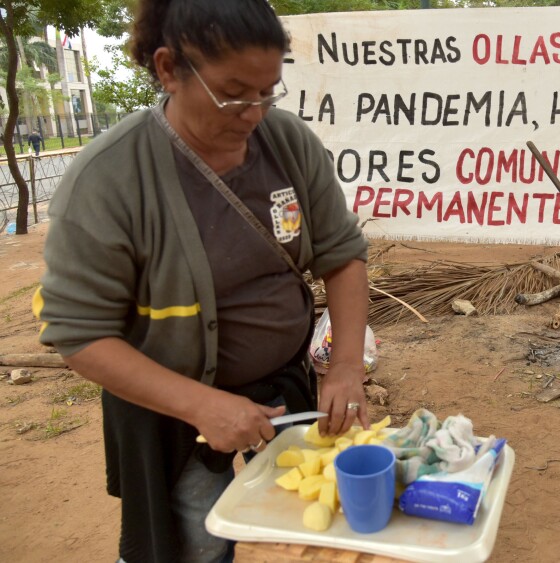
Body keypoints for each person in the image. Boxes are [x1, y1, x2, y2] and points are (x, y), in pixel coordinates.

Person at [32, 1, 371, 561]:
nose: (255, 113)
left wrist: (346, 366)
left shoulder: (287, 144)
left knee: (310, 524)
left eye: (269, 90)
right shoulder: (109, 179)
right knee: (193, 543)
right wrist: (201, 406)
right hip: (171, 414)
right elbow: (79, 334)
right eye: (235, 92)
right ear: (169, 69)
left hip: (284, 392)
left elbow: (342, 255)